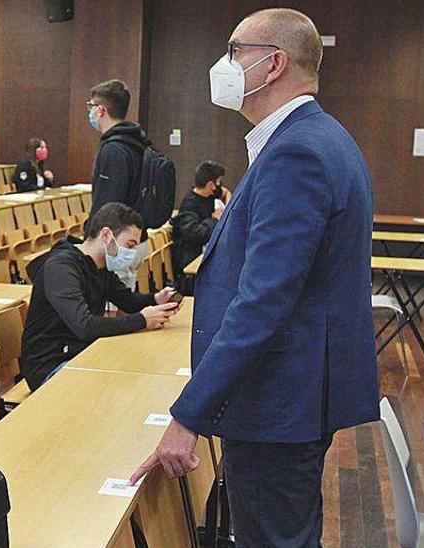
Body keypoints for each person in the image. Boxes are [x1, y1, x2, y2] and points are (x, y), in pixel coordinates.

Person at [131, 10, 377, 547]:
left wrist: (189, 414)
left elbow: (263, 302)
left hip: (277, 401)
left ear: (273, 65)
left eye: (235, 51)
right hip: (292, 394)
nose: (224, 63)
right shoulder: (316, 138)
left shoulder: (296, 152)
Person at [19, 202, 179, 390]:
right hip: (50, 365)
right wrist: (143, 320)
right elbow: (84, 325)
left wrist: (155, 299)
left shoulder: (100, 265)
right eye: (130, 245)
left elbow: (126, 300)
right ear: (106, 235)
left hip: (82, 352)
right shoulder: (61, 268)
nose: (132, 253)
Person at [85, 79, 148, 221]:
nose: (90, 111)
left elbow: (107, 203)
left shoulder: (113, 150)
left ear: (101, 110)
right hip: (133, 230)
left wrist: (91, 235)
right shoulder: (136, 141)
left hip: (116, 235)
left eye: (91, 106)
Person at [170, 161, 229, 277]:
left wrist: (227, 209)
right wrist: (215, 220)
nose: (220, 185)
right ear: (211, 184)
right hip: (191, 255)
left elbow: (226, 193)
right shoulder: (189, 205)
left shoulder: (209, 193)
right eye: (218, 181)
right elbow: (195, 234)